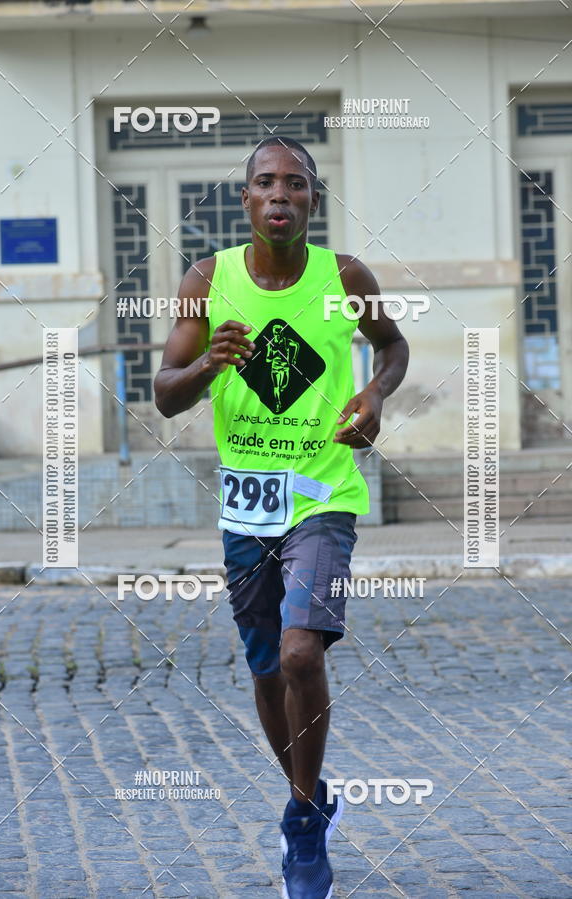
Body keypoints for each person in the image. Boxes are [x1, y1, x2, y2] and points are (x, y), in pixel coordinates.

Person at [154, 135, 409, 899]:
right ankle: (311, 792)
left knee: (302, 652)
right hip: (247, 506)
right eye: (264, 183)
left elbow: (392, 346)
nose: (278, 195)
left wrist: (375, 396)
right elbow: (166, 392)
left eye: (293, 184)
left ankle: (302, 818)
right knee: (267, 668)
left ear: (311, 200)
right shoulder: (208, 278)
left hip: (322, 496)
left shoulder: (344, 276)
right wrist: (205, 366)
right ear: (245, 200)